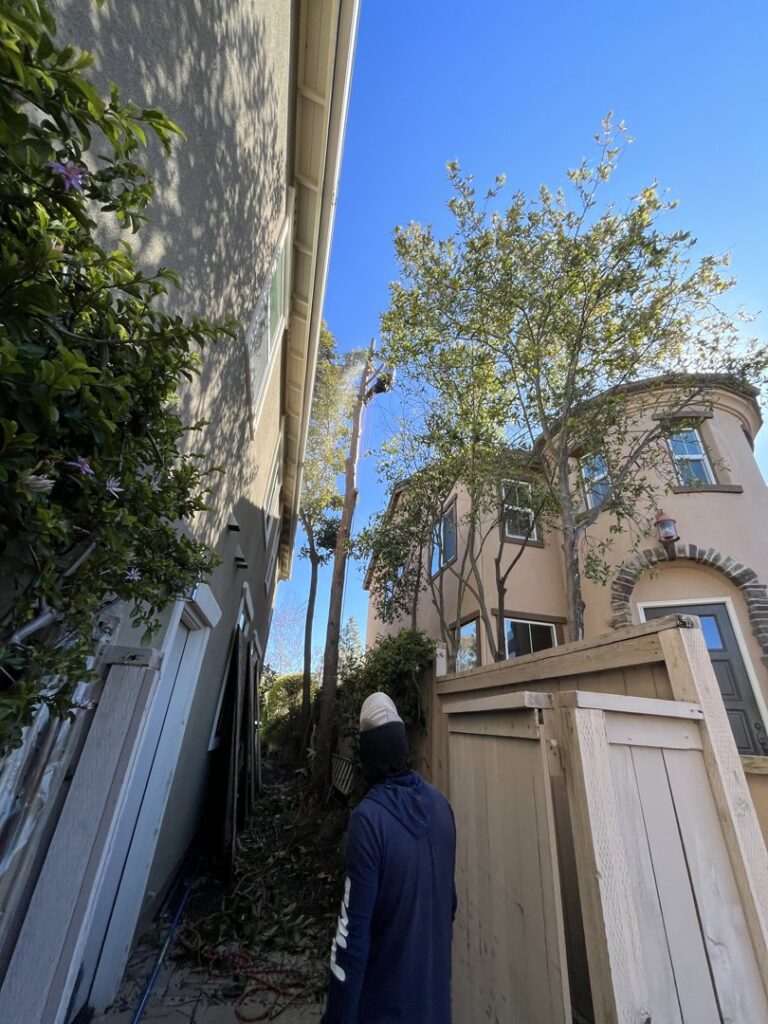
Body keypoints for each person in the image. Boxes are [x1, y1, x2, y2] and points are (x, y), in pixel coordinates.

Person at [321, 692, 457, 1024]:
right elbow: (449, 904)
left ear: (366, 755)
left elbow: (351, 939)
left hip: (383, 1009)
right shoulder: (443, 808)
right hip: (435, 1005)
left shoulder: (368, 821)